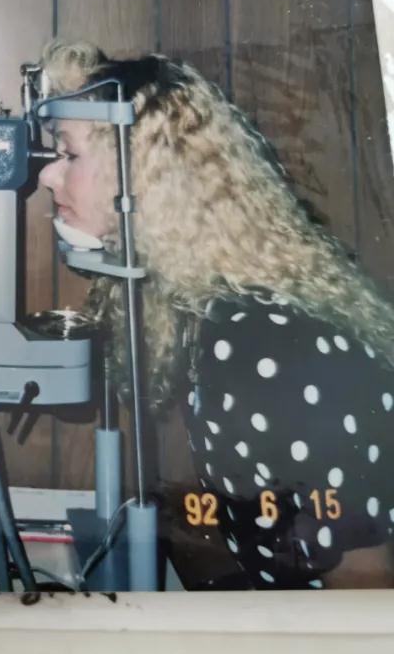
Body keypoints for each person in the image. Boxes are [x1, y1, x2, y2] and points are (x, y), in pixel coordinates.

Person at [36, 40, 394, 589]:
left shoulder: (260, 342)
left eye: (70, 155)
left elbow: (365, 582)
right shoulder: (220, 313)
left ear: (146, 175)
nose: (48, 178)